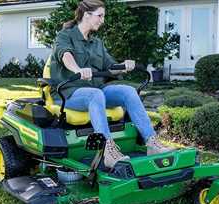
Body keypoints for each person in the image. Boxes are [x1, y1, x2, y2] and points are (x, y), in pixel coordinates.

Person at [50, 0, 173, 168]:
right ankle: (107, 150)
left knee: (129, 91)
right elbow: (65, 55)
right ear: (87, 15)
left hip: (96, 91)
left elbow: (110, 67)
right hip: (69, 93)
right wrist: (78, 69)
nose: (102, 20)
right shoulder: (65, 35)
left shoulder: (97, 43)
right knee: (95, 94)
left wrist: (124, 66)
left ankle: (152, 143)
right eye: (100, 16)